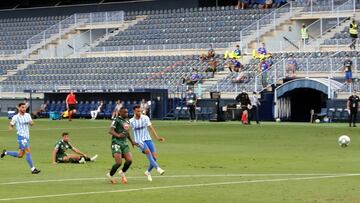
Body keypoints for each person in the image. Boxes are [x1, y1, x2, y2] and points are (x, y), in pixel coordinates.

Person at [1, 102, 41, 174]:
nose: (24, 108)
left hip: (27, 137)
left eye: (25, 107)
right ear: (19, 108)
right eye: (22, 107)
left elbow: (32, 123)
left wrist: (31, 122)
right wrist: (10, 128)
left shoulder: (28, 115)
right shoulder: (15, 117)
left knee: (20, 155)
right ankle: (33, 169)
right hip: (21, 137)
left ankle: (6, 152)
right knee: (28, 151)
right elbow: (11, 124)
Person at [129, 105, 165, 182]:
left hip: (148, 139)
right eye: (138, 111)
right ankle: (158, 168)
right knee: (148, 153)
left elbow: (151, 128)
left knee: (154, 157)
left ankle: (148, 172)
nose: (139, 112)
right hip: (139, 140)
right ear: (134, 111)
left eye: (140, 111)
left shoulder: (145, 118)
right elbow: (127, 131)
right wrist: (132, 141)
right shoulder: (131, 121)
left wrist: (157, 137)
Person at [107, 107, 135, 184]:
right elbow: (110, 130)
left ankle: (122, 172)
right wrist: (118, 135)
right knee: (119, 162)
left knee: (129, 160)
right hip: (116, 143)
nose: (126, 113)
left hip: (124, 143)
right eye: (125, 112)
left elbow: (127, 131)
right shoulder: (116, 120)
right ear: (120, 112)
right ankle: (110, 175)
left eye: (127, 112)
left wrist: (132, 141)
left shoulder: (127, 120)